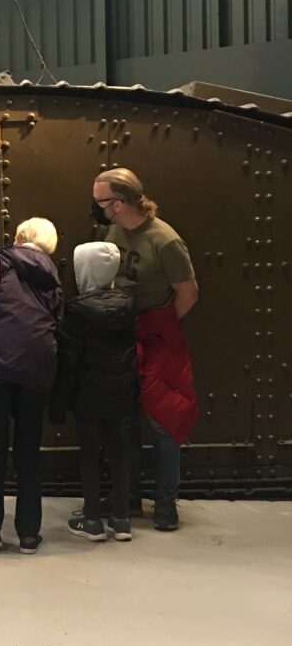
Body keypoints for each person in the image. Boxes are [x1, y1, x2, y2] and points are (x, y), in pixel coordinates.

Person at [91, 168, 198, 532]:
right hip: (123, 330)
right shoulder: (114, 230)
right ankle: (130, 496)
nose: (98, 208)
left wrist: (162, 326)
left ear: (119, 204)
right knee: (124, 419)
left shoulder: (165, 240)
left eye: (102, 201)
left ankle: (166, 500)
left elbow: (188, 291)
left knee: (165, 418)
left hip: (157, 334)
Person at [0, 218, 63, 554]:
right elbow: (58, 316)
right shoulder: (51, 273)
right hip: (38, 364)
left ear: (20, 236)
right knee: (28, 450)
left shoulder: (0, 259)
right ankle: (28, 534)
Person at [49, 242, 139, 542]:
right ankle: (122, 519)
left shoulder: (76, 311)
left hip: (88, 395)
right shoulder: (127, 305)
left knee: (89, 454)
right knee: (120, 453)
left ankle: (92, 520)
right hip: (122, 391)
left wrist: (58, 404)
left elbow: (69, 362)